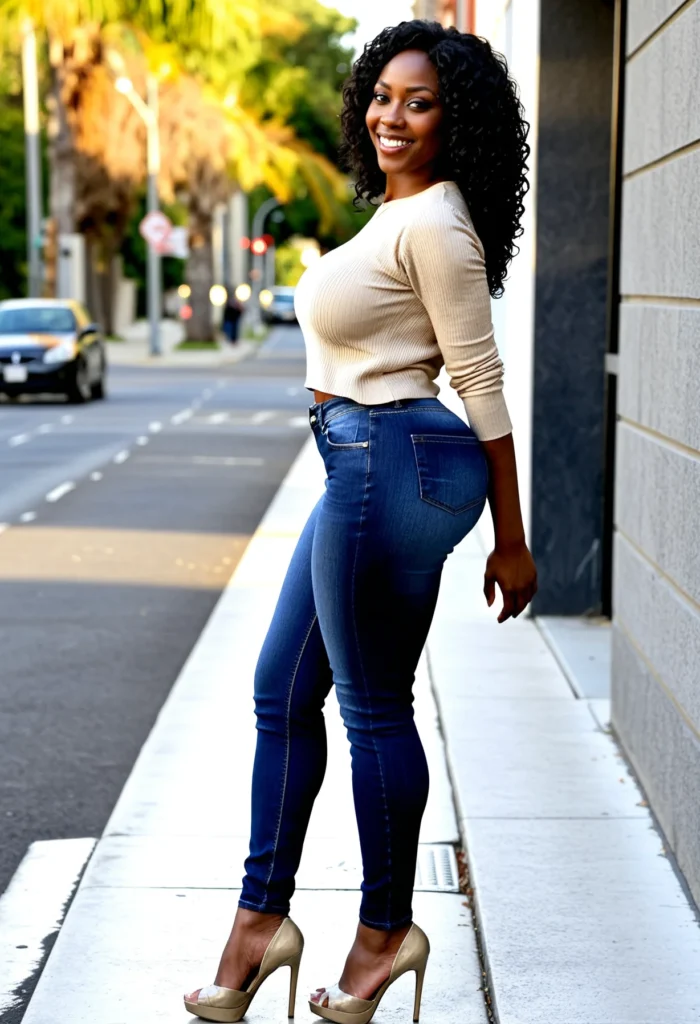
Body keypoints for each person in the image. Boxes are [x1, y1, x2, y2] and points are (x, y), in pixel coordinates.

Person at [185, 19, 537, 1024]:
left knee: (370, 702)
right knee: (280, 691)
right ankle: (261, 926)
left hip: (394, 457)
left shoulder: (434, 222)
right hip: (369, 457)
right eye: (382, 95)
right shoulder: (400, 215)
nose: (393, 114)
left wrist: (512, 540)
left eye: (418, 101)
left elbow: (480, 380)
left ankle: (384, 937)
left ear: (452, 118)